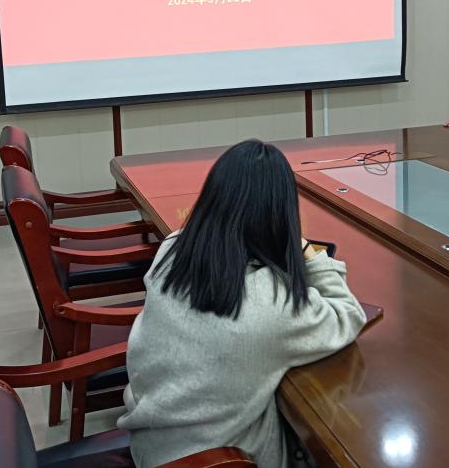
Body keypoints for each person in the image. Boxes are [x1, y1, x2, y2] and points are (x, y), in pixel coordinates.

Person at [117, 139, 367, 468]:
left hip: (151, 444)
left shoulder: (173, 250)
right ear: (281, 216)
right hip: (220, 461)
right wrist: (307, 252)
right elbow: (348, 314)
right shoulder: (275, 304)